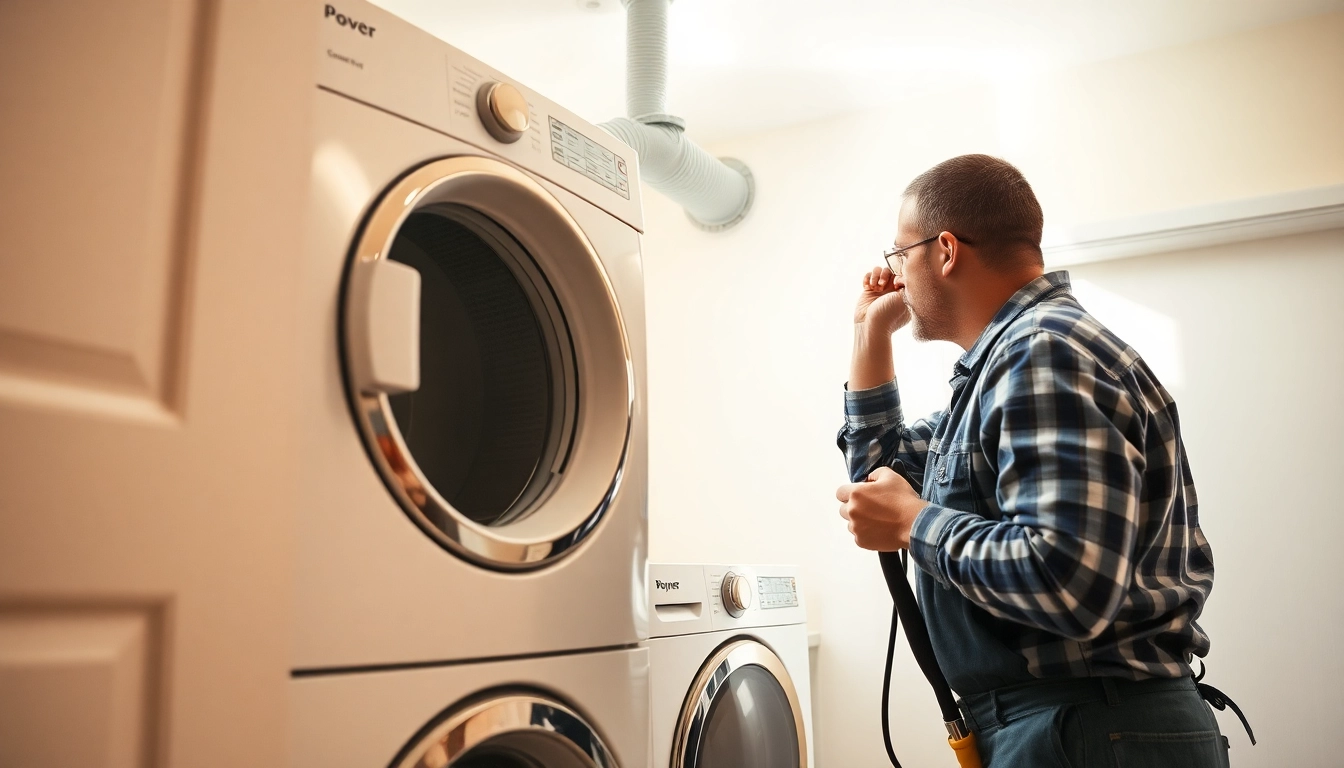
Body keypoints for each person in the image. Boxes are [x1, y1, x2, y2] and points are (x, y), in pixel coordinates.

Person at [835, 154, 1244, 766]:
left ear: (945, 251)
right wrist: (869, 336)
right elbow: (879, 480)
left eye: (899, 254)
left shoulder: (1042, 356)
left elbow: (1067, 582)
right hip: (1077, 725)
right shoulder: (1007, 368)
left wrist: (914, 523)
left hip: (1086, 727)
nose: (892, 275)